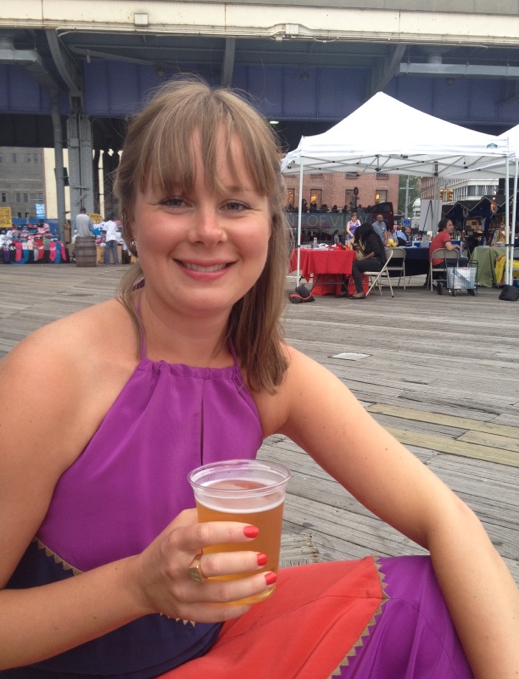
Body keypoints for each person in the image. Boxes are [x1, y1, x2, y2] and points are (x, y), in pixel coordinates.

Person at [0, 79, 517, 678]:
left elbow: (445, 517)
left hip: (211, 652)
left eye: (235, 205)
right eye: (175, 200)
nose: (208, 230)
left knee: (430, 600)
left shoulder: (269, 372)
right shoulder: (50, 374)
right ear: (130, 220)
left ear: (269, 225)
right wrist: (136, 586)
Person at [350, 222, 386, 300]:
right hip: (375, 261)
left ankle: (360, 291)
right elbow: (367, 254)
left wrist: (363, 259)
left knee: (354, 265)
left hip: (378, 262)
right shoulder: (370, 237)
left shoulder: (372, 237)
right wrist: (360, 249)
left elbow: (376, 252)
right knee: (354, 265)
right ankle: (357, 289)